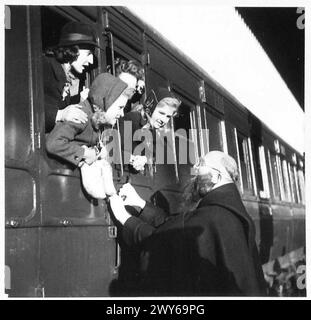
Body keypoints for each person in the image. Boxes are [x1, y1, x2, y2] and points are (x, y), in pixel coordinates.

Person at [109, 151, 267, 296]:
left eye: (201, 164)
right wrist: (139, 203)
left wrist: (124, 217)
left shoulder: (212, 216)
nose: (195, 169)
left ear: (215, 176)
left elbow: (161, 240)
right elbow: (175, 225)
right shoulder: (230, 212)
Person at [46, 72, 135, 168]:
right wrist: (85, 153)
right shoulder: (81, 115)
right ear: (105, 103)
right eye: (120, 107)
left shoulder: (97, 120)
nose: (122, 114)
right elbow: (53, 143)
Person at [43, 21, 99, 133]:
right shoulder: (45, 65)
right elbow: (24, 104)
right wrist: (60, 114)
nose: (91, 60)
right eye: (88, 54)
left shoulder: (69, 77)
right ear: (73, 49)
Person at [119, 87, 181, 172]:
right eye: (161, 113)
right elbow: (112, 149)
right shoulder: (132, 119)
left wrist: (144, 159)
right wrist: (132, 159)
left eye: (168, 116)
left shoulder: (154, 134)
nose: (163, 120)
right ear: (151, 106)